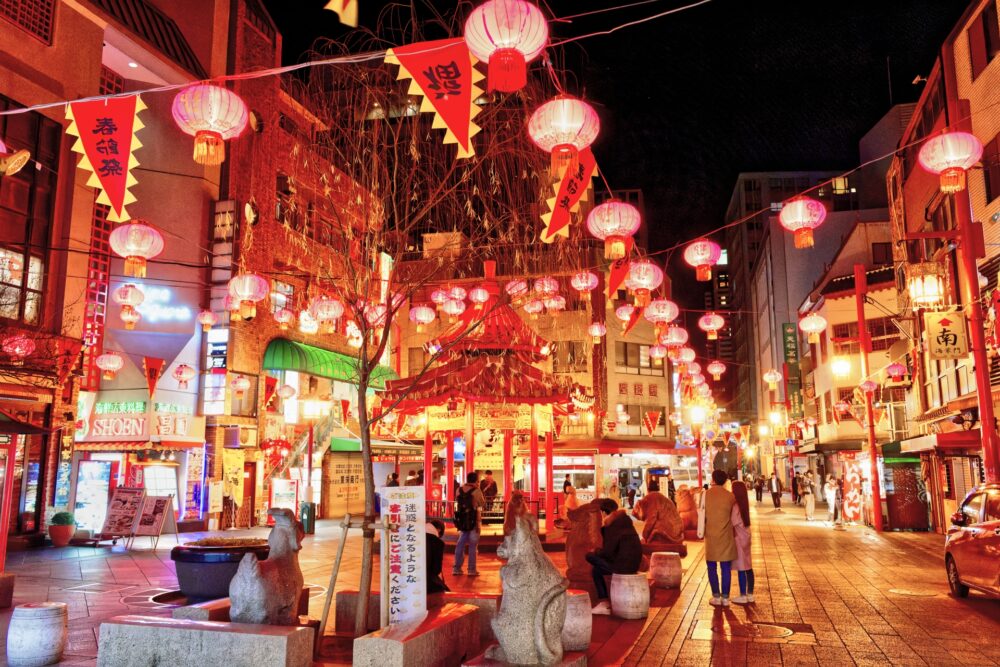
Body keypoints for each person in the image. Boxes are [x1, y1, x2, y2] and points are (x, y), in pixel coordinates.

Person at [587, 499, 642, 615]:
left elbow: (608, 552)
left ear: (603, 512)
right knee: (597, 570)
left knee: (590, 557)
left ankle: (604, 603)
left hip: (622, 567)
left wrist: (596, 551)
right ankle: (604, 603)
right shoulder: (625, 522)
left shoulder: (613, 525)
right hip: (633, 564)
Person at [704, 469, 737, 606]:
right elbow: (734, 519)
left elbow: (701, 515)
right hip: (726, 536)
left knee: (711, 567)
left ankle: (716, 596)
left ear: (713, 479)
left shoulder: (705, 495)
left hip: (711, 536)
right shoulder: (730, 496)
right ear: (725, 481)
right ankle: (725, 597)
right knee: (725, 568)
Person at [453, 472, 485, 576]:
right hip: (474, 520)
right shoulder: (476, 491)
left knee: (460, 544)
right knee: (472, 545)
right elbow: (482, 504)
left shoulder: (459, 490)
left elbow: (457, 500)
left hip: (462, 520)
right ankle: (471, 570)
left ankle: (456, 568)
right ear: (476, 480)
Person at [730, 480, 754, 604]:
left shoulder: (735, 506)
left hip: (739, 538)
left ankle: (743, 595)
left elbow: (733, 522)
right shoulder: (744, 504)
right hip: (746, 537)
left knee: (741, 567)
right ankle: (750, 593)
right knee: (748, 566)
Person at [426, 519, 449, 594]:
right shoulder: (437, 543)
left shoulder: (414, 536)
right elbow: (436, 570)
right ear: (439, 530)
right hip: (427, 582)